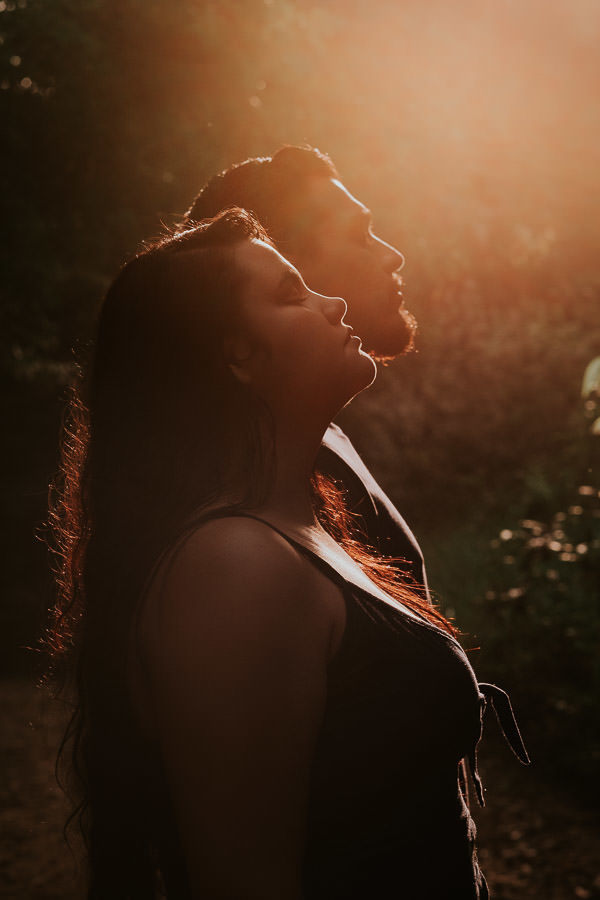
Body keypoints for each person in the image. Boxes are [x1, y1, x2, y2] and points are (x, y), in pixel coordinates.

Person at [47, 208, 529, 899]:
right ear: (238, 355)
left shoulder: (302, 527)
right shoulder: (233, 568)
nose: (332, 301)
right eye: (291, 294)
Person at [183, 146, 429, 600]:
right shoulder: (263, 487)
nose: (393, 256)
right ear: (280, 265)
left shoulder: (315, 437)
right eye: (361, 235)